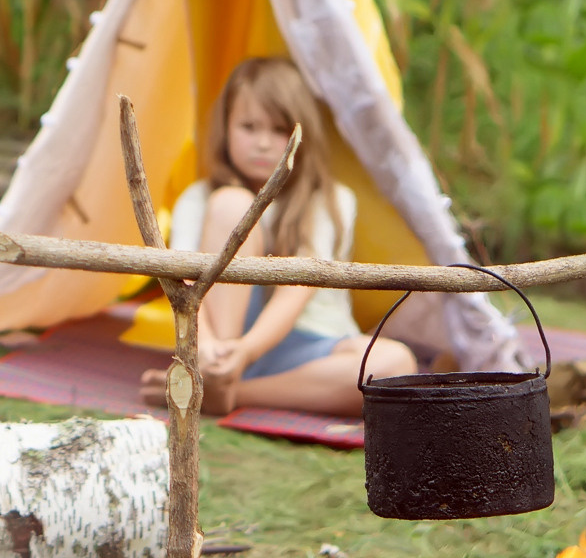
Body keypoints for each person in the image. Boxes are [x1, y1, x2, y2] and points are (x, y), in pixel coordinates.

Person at [139, 57, 415, 417]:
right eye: (249, 127)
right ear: (225, 128)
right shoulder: (203, 198)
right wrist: (207, 346)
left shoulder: (329, 200)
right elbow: (183, 280)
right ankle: (213, 372)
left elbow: (295, 294)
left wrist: (249, 351)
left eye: (279, 129)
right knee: (231, 205)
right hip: (221, 343)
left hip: (303, 349)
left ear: (301, 135)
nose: (264, 143)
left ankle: (231, 392)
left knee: (396, 363)